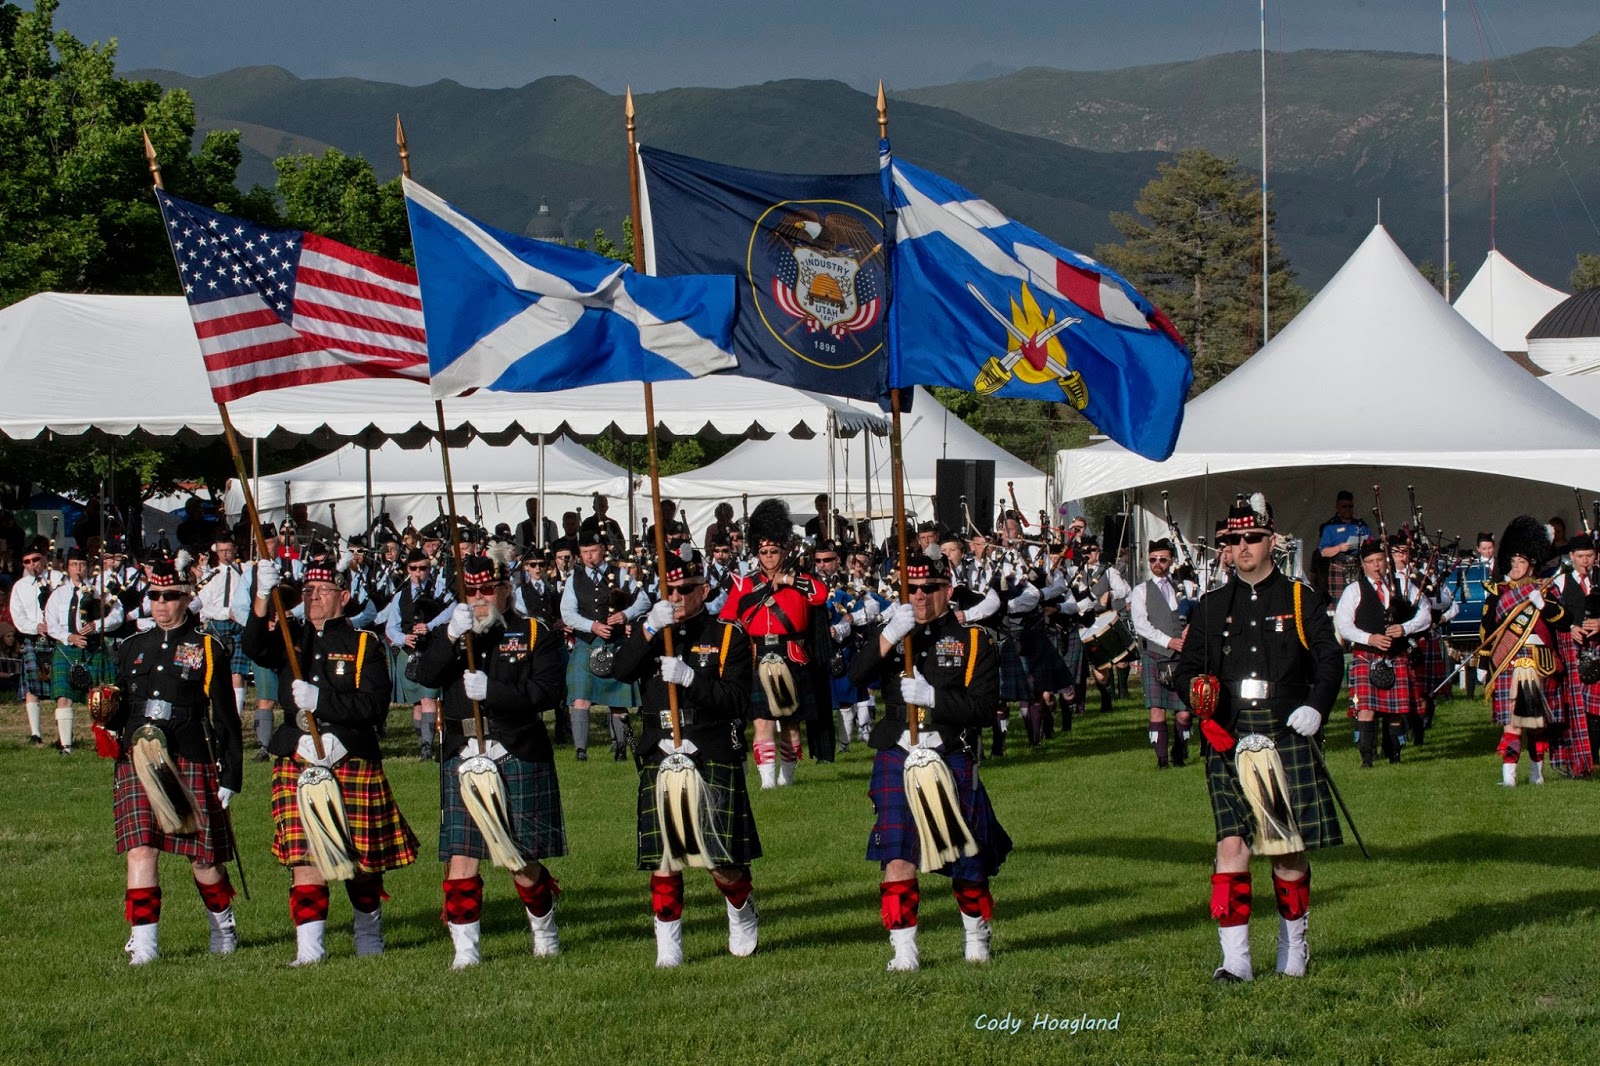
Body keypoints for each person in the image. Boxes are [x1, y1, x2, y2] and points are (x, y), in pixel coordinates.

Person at [1173, 493, 1344, 981]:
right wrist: (1196, 697)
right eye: (1233, 540)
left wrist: (1316, 705)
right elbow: (1185, 669)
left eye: (1251, 538)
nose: (1242, 547)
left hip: (1285, 731)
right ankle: (1236, 960)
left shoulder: (1299, 598)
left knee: (1287, 848)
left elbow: (1330, 660)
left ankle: (1294, 945)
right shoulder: (1210, 606)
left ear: (1272, 540)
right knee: (1231, 847)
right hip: (1228, 735)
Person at [243, 556, 418, 965]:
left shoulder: (364, 644)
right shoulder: (291, 636)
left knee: (361, 860)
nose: (313, 597)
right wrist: (259, 600)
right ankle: (309, 951)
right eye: (307, 591)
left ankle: (368, 933)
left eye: (322, 591)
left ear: (345, 596)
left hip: (351, 756)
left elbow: (374, 706)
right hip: (298, 757)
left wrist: (323, 702)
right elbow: (253, 646)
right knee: (304, 856)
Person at [848, 551, 1011, 970]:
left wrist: (933, 698)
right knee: (897, 855)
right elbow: (853, 677)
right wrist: (887, 636)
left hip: (949, 750)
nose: (919, 597)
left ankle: (976, 933)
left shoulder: (974, 640)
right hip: (897, 752)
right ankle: (904, 951)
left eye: (929, 589)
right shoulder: (894, 632)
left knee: (966, 858)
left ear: (947, 590)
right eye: (911, 589)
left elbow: (984, 708)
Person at [613, 550, 761, 967]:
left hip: (708, 745)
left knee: (720, 862)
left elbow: (734, 701)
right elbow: (620, 671)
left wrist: (691, 679)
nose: (677, 597)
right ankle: (669, 945)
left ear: (704, 590)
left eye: (685, 590)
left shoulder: (728, 634)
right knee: (665, 858)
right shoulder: (654, 631)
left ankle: (741, 908)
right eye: (670, 589)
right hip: (660, 746)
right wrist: (647, 629)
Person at [419, 555, 568, 968]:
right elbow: (424, 676)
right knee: (462, 856)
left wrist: (494, 691)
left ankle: (544, 930)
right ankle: (466, 952)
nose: (480, 598)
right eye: (471, 591)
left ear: (506, 588)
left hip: (514, 747)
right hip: (462, 753)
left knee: (519, 860)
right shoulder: (452, 632)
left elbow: (547, 693)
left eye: (487, 590)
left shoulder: (535, 631)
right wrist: (449, 636)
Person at [101, 559, 243, 965]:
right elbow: (121, 708)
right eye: (155, 596)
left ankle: (223, 926)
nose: (161, 604)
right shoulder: (131, 646)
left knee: (203, 856)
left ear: (187, 597)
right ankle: (144, 945)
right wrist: (102, 712)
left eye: (171, 596)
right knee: (140, 849)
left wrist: (230, 774)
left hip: (189, 753)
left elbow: (226, 718)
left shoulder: (208, 647)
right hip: (139, 757)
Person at [721, 499, 828, 788]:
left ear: (784, 551)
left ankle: (787, 777)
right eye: (764, 552)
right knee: (762, 721)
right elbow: (728, 618)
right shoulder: (744, 585)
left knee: (791, 725)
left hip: (792, 653)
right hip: (758, 654)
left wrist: (790, 580)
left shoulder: (801, 578)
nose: (769, 557)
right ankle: (767, 781)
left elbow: (820, 595)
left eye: (774, 551)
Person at [1482, 516, 1567, 787]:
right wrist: (1484, 664)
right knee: (1512, 721)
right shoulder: (1498, 591)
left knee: (1538, 723)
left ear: (1531, 563)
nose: (1515, 566)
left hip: (1541, 661)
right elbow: (1487, 630)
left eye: (1521, 561)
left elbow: (1563, 621)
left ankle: (1537, 775)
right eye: (1512, 561)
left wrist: (1544, 605)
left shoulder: (1546, 589)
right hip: (1509, 660)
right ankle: (1509, 778)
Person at [1335, 539, 1430, 767]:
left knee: (1395, 711)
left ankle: (1396, 757)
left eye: (1379, 560)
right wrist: (1370, 638)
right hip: (1365, 656)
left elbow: (1425, 613)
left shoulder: (1403, 585)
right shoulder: (1353, 590)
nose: (1376, 566)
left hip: (1395, 656)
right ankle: (1367, 760)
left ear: (1386, 562)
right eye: (1370, 561)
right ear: (1363, 564)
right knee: (1365, 710)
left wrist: (1405, 628)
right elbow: (1343, 625)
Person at [560, 530, 647, 761]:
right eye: (584, 552)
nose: (589, 557)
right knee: (581, 698)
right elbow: (567, 614)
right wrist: (592, 626)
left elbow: (644, 600)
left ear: (603, 550)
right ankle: (581, 751)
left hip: (616, 644)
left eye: (593, 551)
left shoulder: (620, 574)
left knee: (617, 702)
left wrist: (626, 615)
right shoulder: (573, 580)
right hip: (586, 643)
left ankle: (620, 749)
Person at [45, 546, 125, 754]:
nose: (78, 569)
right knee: (63, 696)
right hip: (67, 649)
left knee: (104, 697)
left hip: (94, 648)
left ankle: (107, 743)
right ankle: (66, 747)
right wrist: (68, 637)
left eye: (82, 564)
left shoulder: (101, 592)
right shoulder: (59, 595)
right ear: (67, 567)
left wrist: (98, 625)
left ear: (89, 567)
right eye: (74, 565)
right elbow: (50, 622)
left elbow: (117, 616)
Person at [380, 548, 453, 760]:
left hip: (431, 650)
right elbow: (391, 626)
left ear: (429, 569)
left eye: (423, 568)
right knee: (417, 703)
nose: (418, 573)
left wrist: (430, 626)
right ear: (407, 569)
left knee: (428, 698)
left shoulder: (440, 590)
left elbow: (453, 609)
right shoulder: (400, 596)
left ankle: (427, 748)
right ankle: (423, 743)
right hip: (408, 651)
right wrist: (403, 638)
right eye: (414, 568)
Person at [1130, 538, 1193, 769]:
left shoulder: (1184, 587)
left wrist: (1191, 629)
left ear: (1171, 561)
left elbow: (1198, 611)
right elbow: (1141, 625)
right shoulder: (1141, 590)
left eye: (1163, 559)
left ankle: (1179, 748)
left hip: (1182, 657)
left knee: (1184, 713)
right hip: (1155, 655)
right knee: (1157, 710)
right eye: (1153, 559)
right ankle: (1162, 760)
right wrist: (1169, 641)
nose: (1157, 563)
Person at [1550, 532, 1598, 779]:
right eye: (1580, 556)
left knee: (1596, 710)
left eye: (1590, 556)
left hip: (1598, 647)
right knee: (1576, 708)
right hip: (1573, 650)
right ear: (1571, 557)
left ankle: (1594, 760)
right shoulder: (1560, 583)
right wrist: (1571, 628)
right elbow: (1552, 615)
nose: (1586, 561)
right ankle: (1578, 761)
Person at [8, 539, 60, 746]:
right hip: (33, 637)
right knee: (31, 688)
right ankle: (36, 735)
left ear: (44, 559)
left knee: (60, 687)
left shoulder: (58, 579)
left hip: (57, 637)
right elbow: (17, 616)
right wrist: (35, 627)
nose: (32, 564)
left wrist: (55, 625)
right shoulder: (19, 587)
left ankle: (62, 736)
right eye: (27, 561)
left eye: (36, 559)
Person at [196, 530, 248, 719]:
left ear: (235, 550)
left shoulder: (244, 572)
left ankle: (236, 715)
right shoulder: (210, 576)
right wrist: (226, 613)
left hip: (239, 626)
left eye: (228, 550)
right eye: (221, 550)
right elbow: (202, 606)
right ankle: (217, 713)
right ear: (216, 552)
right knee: (216, 673)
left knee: (237, 673)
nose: (225, 554)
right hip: (217, 626)